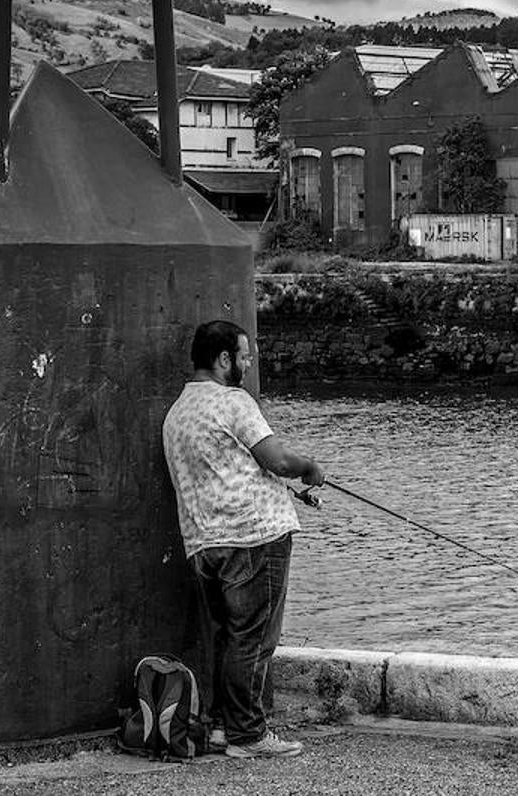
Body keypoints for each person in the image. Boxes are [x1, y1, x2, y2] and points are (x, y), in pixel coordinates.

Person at [162, 319, 325, 759]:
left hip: (203, 542)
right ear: (223, 360)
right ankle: (249, 736)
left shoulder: (177, 413)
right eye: (244, 355)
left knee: (226, 639)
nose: (249, 363)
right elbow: (277, 459)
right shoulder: (234, 402)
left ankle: (221, 728)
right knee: (253, 640)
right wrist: (310, 466)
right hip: (254, 538)